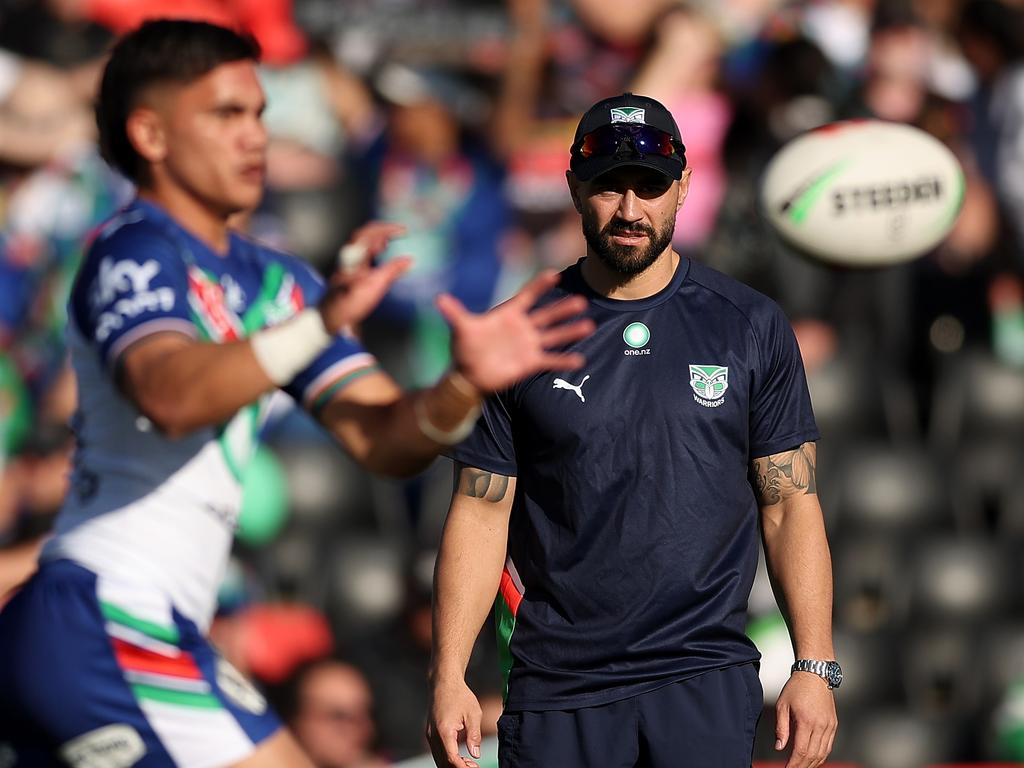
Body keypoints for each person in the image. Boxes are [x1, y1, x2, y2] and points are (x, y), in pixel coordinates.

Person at [0, 19, 594, 768]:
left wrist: (462, 384)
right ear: (149, 133)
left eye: (258, 113)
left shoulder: (276, 283)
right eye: (225, 114)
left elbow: (385, 440)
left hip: (144, 625)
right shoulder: (133, 249)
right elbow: (170, 392)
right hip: (104, 617)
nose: (255, 136)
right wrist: (315, 326)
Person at [427, 93, 840, 768]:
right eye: (607, 186)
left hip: (701, 677)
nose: (628, 210)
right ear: (573, 188)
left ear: (683, 188)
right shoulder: (518, 336)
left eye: (649, 187)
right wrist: (448, 679)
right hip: (557, 686)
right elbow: (479, 509)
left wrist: (814, 665)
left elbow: (790, 502)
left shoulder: (749, 325)